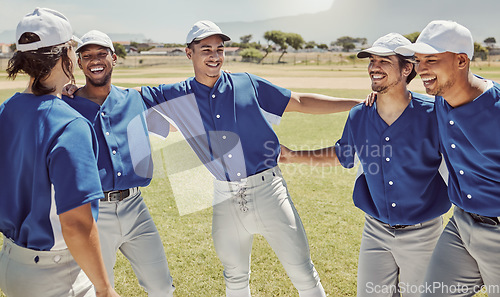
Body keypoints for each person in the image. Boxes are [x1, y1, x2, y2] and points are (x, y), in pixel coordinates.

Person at [135, 20, 363, 297]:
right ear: (188, 53)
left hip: (269, 191)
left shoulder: (247, 83)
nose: (214, 56)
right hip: (224, 197)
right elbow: (123, 98)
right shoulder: (175, 95)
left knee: (303, 272)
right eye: (205, 49)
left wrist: (357, 104)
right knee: (234, 278)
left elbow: (300, 101)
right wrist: (76, 93)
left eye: (219, 49)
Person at [279, 33, 451, 297]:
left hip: (424, 233)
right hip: (375, 232)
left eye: (384, 61)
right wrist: (292, 156)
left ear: (407, 68)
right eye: (372, 60)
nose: (374, 67)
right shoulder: (360, 114)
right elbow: (341, 154)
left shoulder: (434, 113)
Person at [0, 8, 119, 297]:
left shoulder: (5, 111)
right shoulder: (70, 125)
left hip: (12, 264)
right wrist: (104, 288)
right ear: (65, 54)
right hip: (56, 275)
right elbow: (76, 224)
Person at [62, 30, 175, 297]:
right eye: (87, 56)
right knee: (99, 290)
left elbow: (169, 128)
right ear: (79, 64)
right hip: (94, 212)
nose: (94, 60)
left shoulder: (134, 99)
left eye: (102, 54)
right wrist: (63, 90)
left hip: (136, 207)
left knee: (162, 286)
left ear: (114, 58)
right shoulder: (67, 105)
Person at [395, 20, 500, 297]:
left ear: (462, 60)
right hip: (461, 224)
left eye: (432, 59)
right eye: (418, 60)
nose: (421, 69)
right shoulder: (441, 99)